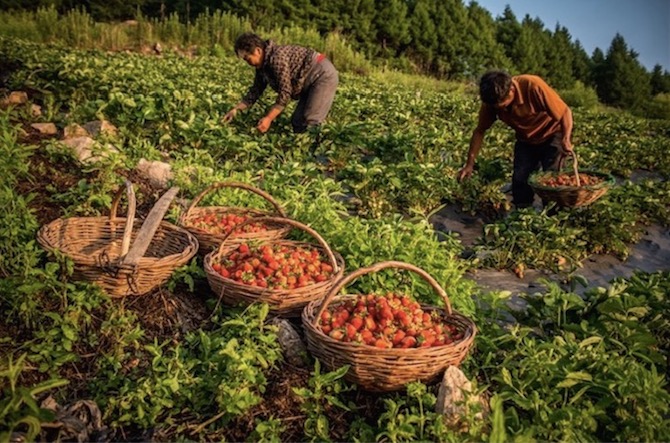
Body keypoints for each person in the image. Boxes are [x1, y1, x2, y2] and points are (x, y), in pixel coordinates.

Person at [458, 70, 573, 209]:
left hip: (552, 133)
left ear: (512, 89)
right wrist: (469, 164)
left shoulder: (533, 85)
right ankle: (522, 214)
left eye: (503, 105)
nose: (500, 108)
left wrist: (566, 138)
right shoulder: (491, 101)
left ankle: (554, 217)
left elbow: (564, 112)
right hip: (526, 139)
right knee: (520, 179)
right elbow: (480, 131)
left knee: (553, 180)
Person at [222, 32, 339, 134]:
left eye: (247, 58)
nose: (248, 62)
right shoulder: (262, 67)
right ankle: (302, 153)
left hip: (322, 74)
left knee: (312, 120)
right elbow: (255, 91)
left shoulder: (276, 58)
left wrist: (268, 118)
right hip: (308, 80)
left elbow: (285, 92)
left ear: (258, 50)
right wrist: (236, 110)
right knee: (298, 121)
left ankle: (319, 157)